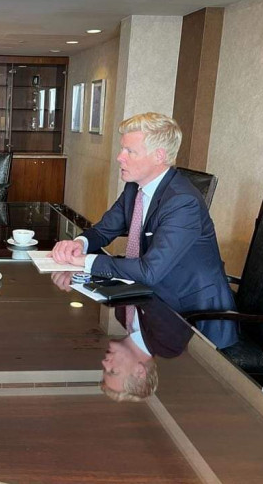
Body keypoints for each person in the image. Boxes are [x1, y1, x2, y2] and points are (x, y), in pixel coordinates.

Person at [50, 112, 237, 349]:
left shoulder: (183, 202)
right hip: (150, 301)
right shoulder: (134, 188)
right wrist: (79, 244)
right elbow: (103, 230)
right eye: (122, 149)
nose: (119, 157)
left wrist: (84, 261)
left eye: (130, 151)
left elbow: (150, 271)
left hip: (190, 319)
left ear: (159, 156)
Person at [101, 301, 193, 402]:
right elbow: (155, 298)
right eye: (113, 371)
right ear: (139, 371)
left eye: (105, 369)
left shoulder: (122, 316)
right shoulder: (169, 345)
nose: (104, 363)